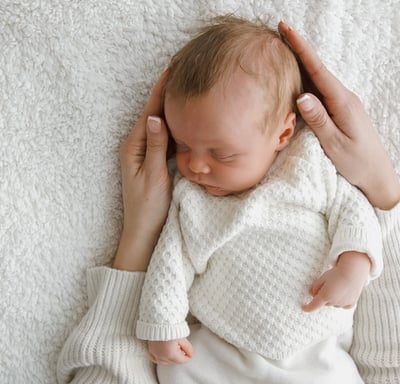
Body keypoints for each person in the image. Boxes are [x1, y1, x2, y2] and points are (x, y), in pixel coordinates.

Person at [56, 20, 400, 384]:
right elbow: (171, 263)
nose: (196, 166)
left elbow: (354, 211)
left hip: (316, 351)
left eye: (222, 154)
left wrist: (355, 262)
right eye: (184, 146)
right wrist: (162, 323)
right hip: (224, 347)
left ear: (283, 133)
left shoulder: (308, 165)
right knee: (182, 365)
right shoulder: (191, 200)